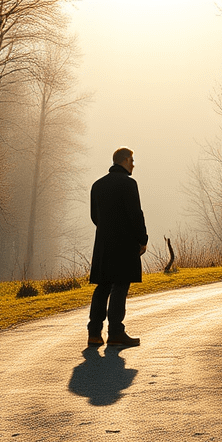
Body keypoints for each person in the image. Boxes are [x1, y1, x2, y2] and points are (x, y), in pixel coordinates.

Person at [87, 147, 148, 347]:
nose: (133, 164)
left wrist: (107, 229)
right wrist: (142, 239)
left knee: (102, 286)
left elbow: (95, 217)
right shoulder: (128, 184)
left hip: (103, 243)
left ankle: (94, 333)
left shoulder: (98, 185)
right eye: (132, 160)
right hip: (124, 244)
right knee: (120, 286)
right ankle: (115, 333)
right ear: (123, 160)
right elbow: (135, 214)